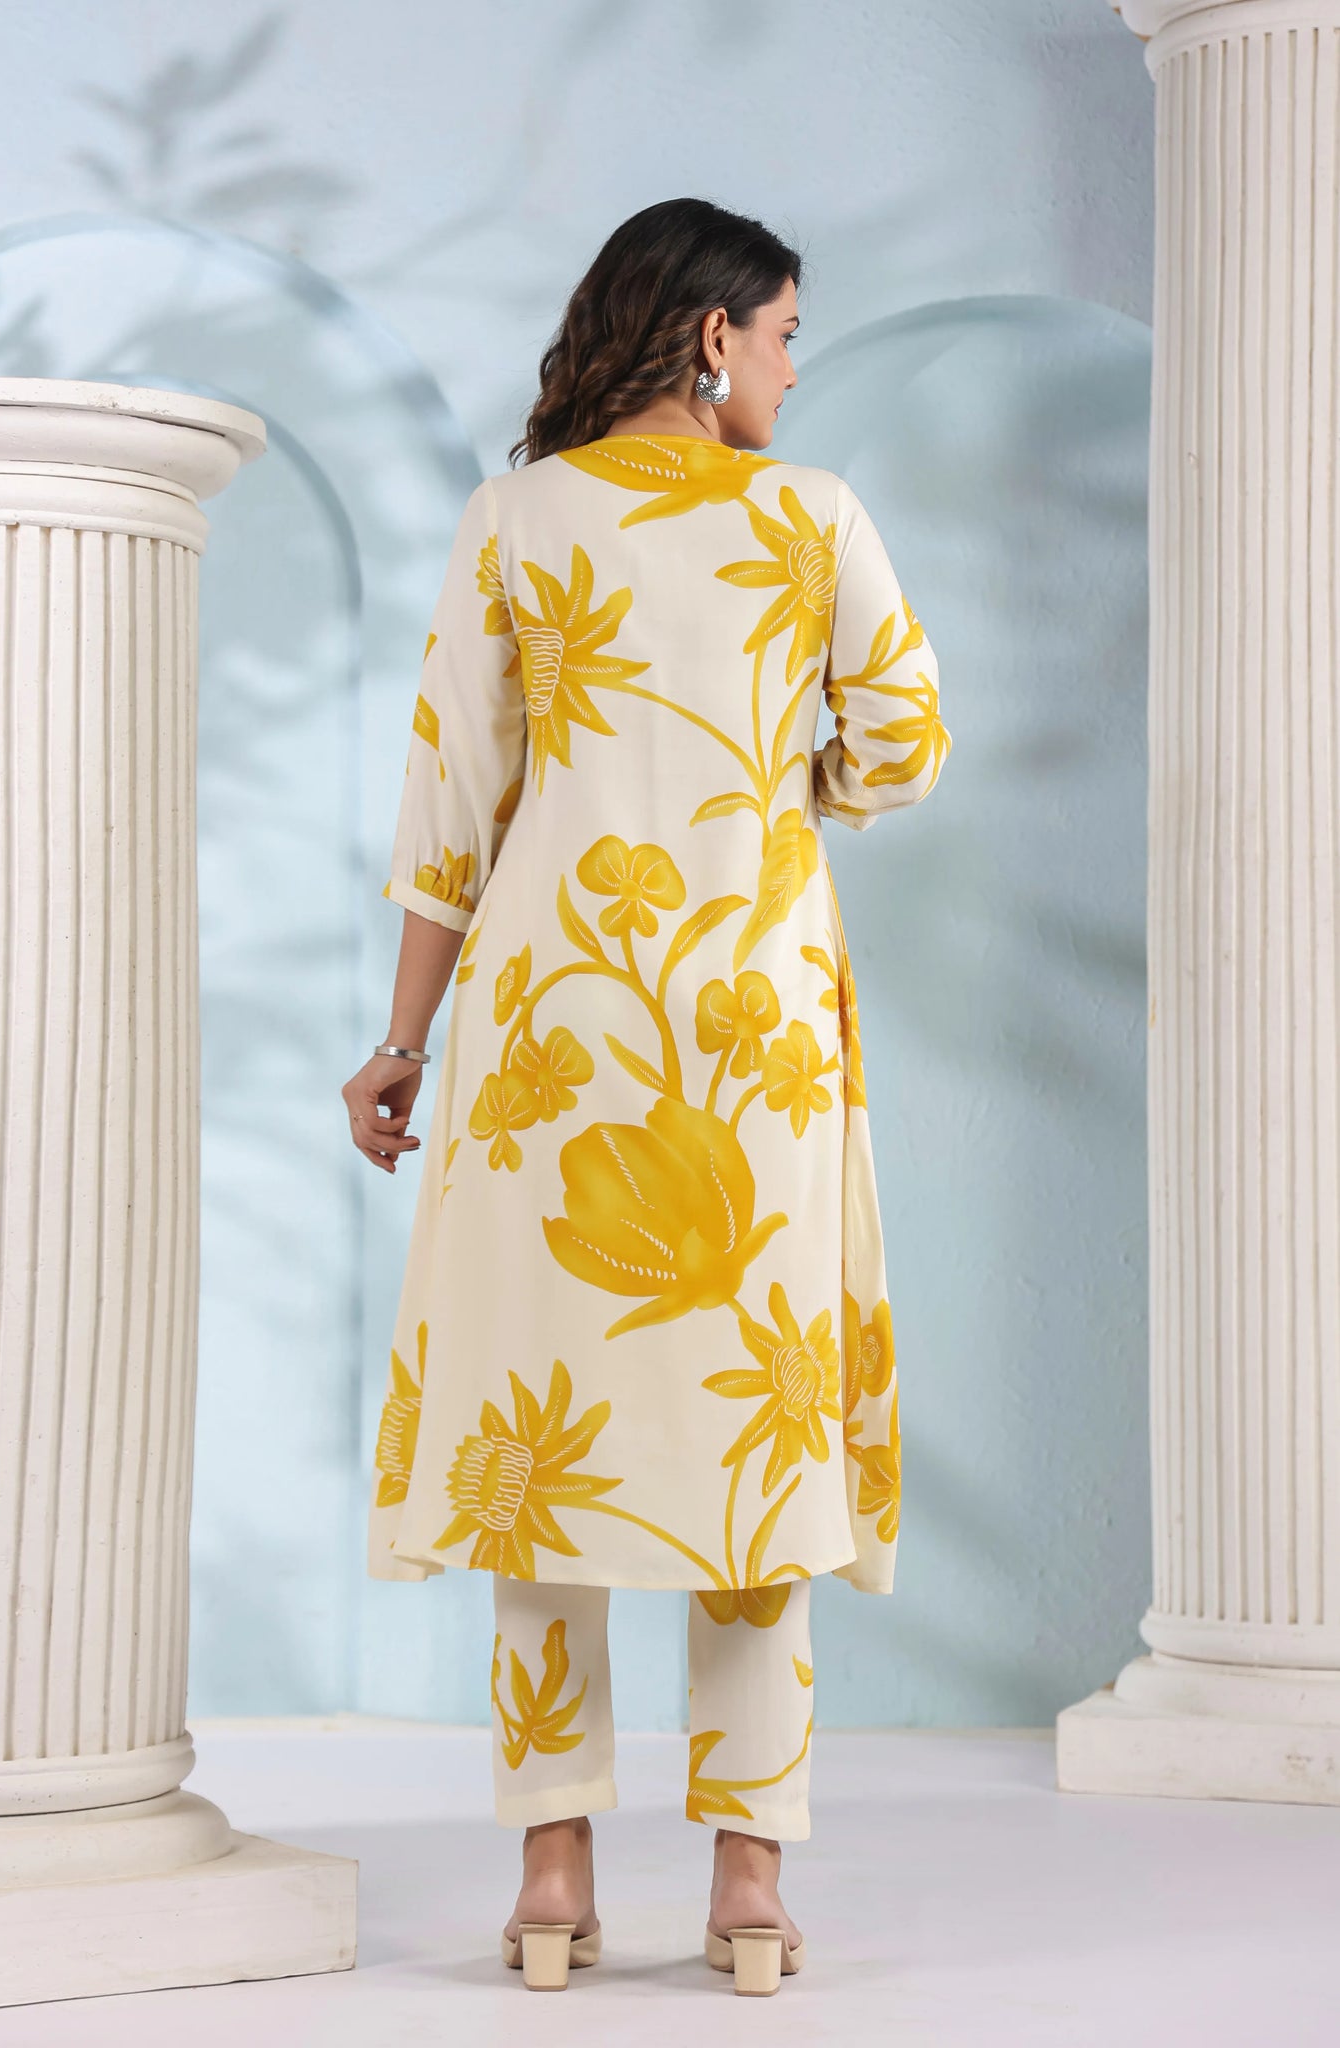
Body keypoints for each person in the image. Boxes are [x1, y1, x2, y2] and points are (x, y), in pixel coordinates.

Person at [342, 196, 951, 1996]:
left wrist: (402, 1044)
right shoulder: (812, 516)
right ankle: (748, 1887)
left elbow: (451, 808)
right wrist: (782, 785)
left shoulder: (513, 519)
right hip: (756, 1026)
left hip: (555, 1032)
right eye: (781, 334)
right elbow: (904, 744)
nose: (789, 369)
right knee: (751, 1438)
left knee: (546, 1432)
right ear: (711, 336)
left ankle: (551, 1879)